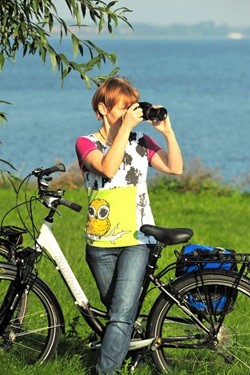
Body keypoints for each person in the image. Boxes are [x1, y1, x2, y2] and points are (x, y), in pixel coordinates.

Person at [75, 76, 183, 374]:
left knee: (121, 313)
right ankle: (133, 352)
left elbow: (175, 168)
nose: (130, 115)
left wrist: (167, 132)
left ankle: (104, 371)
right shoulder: (86, 143)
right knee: (118, 312)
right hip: (100, 243)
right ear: (102, 108)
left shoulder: (141, 142)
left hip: (137, 239)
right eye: (123, 109)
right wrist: (124, 128)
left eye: (131, 109)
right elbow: (108, 168)